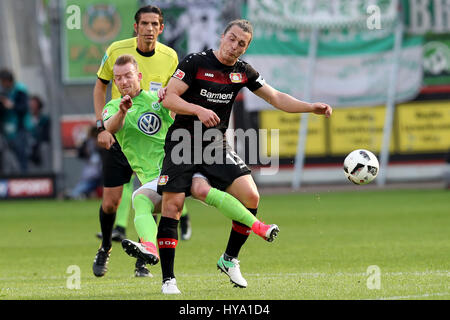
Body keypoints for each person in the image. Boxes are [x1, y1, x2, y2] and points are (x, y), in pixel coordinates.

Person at [158, 19, 332, 293]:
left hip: (215, 145)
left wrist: (311, 107)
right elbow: (169, 99)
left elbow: (275, 97)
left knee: (251, 196)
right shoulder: (195, 62)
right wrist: (197, 110)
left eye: (242, 44)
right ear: (222, 36)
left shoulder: (243, 72)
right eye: (232, 39)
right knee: (173, 207)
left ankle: (229, 259)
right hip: (182, 143)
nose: (235, 47)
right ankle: (169, 279)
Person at [104, 55, 279, 295]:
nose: (123, 81)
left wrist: (177, 101)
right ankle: (152, 251)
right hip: (155, 179)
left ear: (139, 76)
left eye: (128, 75)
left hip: (177, 164)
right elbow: (110, 128)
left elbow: (177, 118)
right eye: (118, 78)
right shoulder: (112, 108)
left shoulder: (157, 99)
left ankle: (257, 227)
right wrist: (123, 111)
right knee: (175, 194)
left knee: (148, 198)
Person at [92, 5, 192, 278]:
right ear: (135, 27)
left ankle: (144, 258)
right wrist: (102, 125)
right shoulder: (116, 51)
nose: (149, 29)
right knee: (111, 201)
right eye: (144, 24)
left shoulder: (170, 56)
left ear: (161, 28)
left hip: (153, 136)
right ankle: (104, 247)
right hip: (120, 130)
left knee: (152, 192)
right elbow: (100, 85)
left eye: (154, 24)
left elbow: (174, 94)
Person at [0, 69, 31, 173]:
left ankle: (23, 179)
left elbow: (24, 108)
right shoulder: (3, 91)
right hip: (5, 131)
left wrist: (11, 105)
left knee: (21, 155)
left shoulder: (20, 90)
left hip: (19, 129)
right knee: (6, 158)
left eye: (4, 81)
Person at [68, 126, 102, 199]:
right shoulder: (88, 144)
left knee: (83, 187)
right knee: (83, 186)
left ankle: (75, 194)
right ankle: (75, 194)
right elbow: (80, 153)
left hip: (100, 174)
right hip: (90, 175)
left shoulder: (102, 144)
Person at [28, 95, 51, 169]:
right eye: (31, 105)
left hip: (41, 147)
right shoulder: (26, 120)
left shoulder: (45, 119)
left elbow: (46, 136)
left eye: (34, 104)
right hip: (29, 147)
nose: (32, 107)